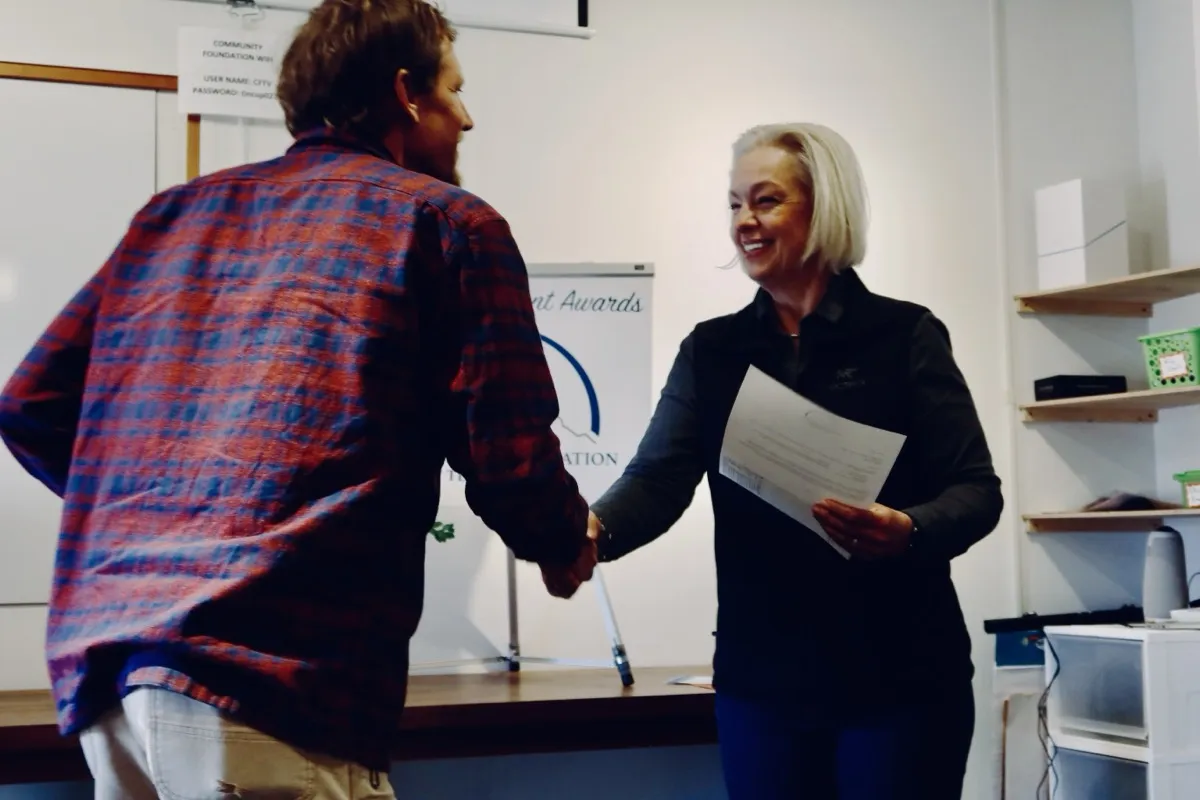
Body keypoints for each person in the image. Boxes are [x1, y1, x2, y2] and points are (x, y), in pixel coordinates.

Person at [0, 1, 597, 798]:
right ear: (405, 94)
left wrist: (152, 515)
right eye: (454, 90)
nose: (468, 117)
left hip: (111, 675)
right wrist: (563, 543)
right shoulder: (447, 223)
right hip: (268, 675)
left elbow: (30, 401)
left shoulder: (172, 215)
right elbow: (508, 450)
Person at [589, 122, 1003, 800]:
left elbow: (976, 490)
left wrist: (909, 529)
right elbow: (657, 479)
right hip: (764, 692)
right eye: (733, 204)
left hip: (899, 685)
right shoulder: (713, 351)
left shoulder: (905, 336)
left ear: (824, 207)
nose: (744, 222)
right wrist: (591, 533)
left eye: (766, 201)